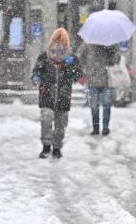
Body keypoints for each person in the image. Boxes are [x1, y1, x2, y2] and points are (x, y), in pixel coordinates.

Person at [32, 28, 81, 159]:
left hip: (64, 97)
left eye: (62, 43)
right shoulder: (44, 57)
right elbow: (36, 71)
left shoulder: (72, 59)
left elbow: (77, 76)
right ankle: (46, 146)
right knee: (46, 119)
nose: (59, 46)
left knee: (61, 123)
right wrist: (36, 77)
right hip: (46, 95)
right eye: (56, 42)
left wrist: (70, 66)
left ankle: (57, 148)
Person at [77, 38, 119, 136]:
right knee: (94, 107)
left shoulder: (109, 43)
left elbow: (115, 60)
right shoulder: (87, 43)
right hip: (92, 80)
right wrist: (86, 69)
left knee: (106, 105)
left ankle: (105, 128)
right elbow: (81, 59)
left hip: (106, 81)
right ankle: (96, 128)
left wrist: (111, 49)